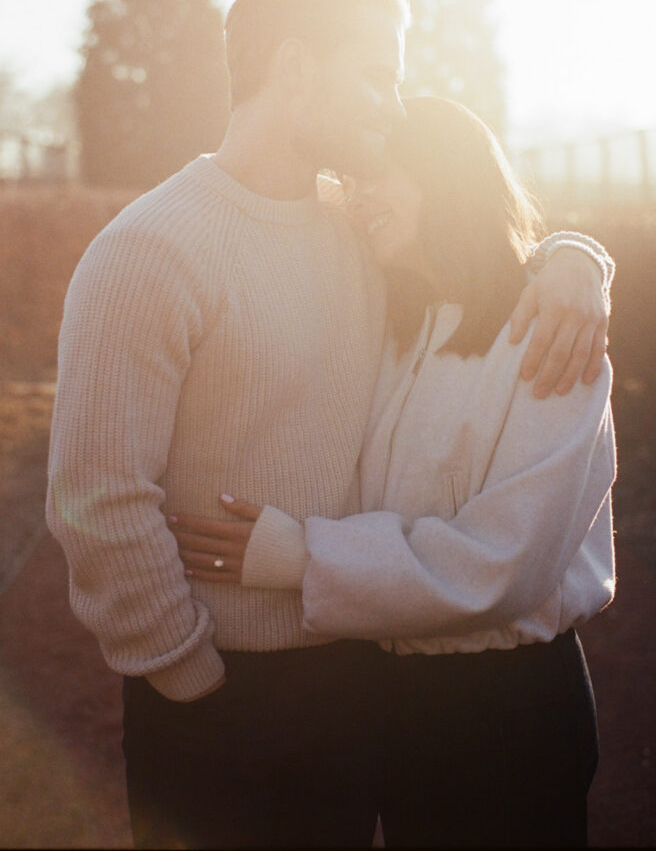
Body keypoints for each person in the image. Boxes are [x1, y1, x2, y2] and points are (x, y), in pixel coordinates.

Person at [46, 0, 613, 850]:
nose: (391, 107)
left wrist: (577, 260)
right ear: (297, 67)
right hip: (218, 702)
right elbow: (98, 499)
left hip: (361, 687)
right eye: (376, 76)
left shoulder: (354, 234)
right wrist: (190, 675)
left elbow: (474, 235)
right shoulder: (147, 250)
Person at [172, 98, 616, 848]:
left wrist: (299, 555)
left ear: (448, 179)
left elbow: (500, 565)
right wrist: (579, 250)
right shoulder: (388, 323)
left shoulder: (550, 336)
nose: (357, 196)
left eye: (379, 176)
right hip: (394, 704)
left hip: (508, 714)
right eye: (351, 179)